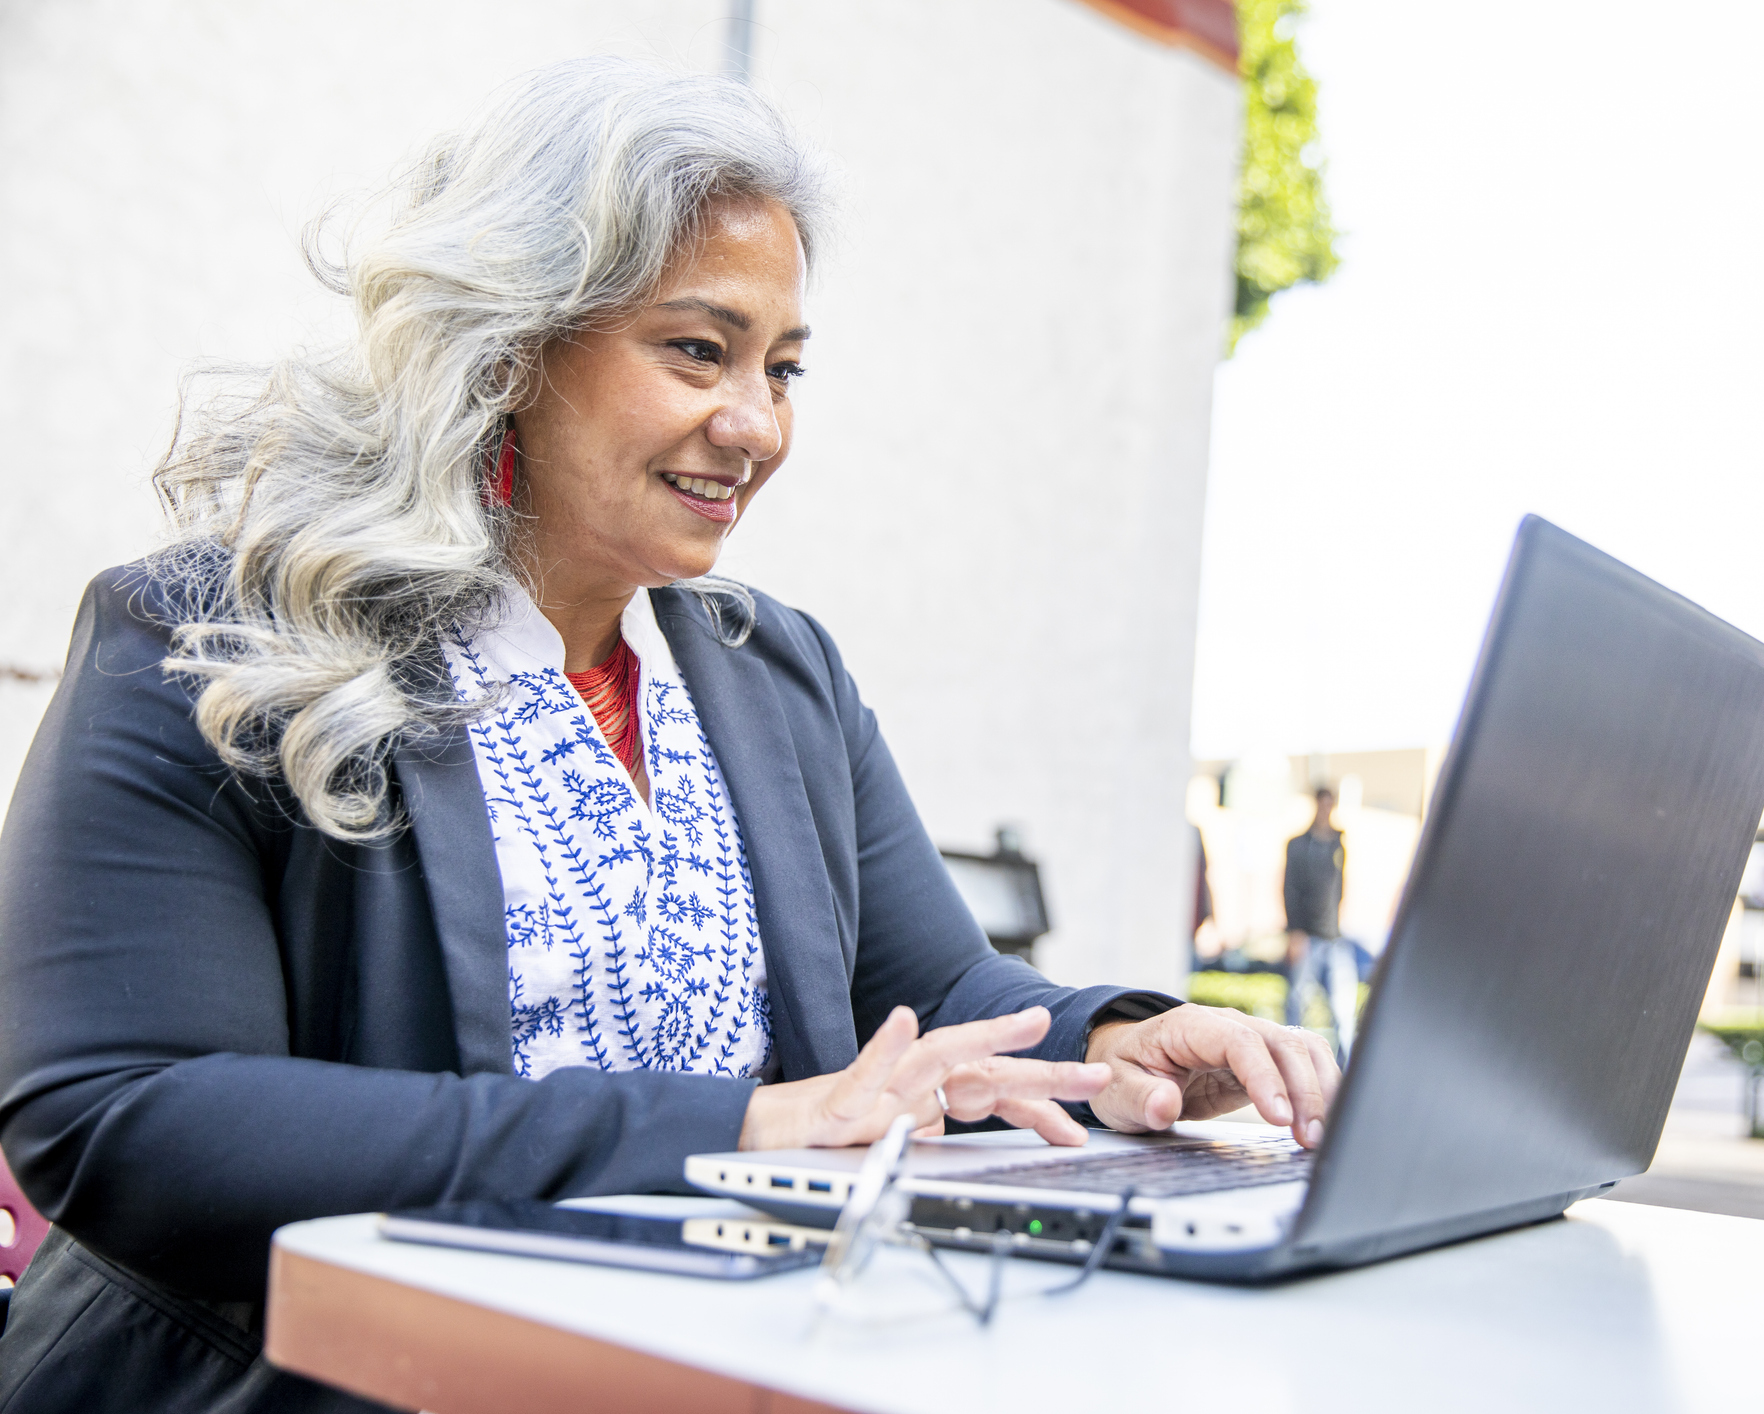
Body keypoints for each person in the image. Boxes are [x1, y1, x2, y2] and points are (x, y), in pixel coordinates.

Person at [0, 60, 1340, 1413]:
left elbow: (929, 994)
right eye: (698, 350)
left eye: (784, 368)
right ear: (513, 346)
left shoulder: (779, 672)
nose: (756, 425)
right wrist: (745, 1130)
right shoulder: (208, 639)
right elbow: (130, 1119)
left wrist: (1115, 1036)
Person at [1282, 787, 1347, 1028]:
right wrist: (1294, 931)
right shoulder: (1299, 845)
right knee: (1297, 1001)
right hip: (1306, 937)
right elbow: (1290, 888)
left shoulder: (1338, 845)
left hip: (1333, 936)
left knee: (1341, 1007)